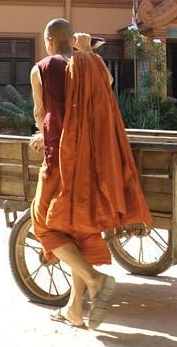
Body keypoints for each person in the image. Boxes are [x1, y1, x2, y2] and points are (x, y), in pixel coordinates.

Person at [29, 18, 151, 330]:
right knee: (79, 230)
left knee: (43, 224)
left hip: (60, 158)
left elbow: (41, 115)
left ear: (49, 40)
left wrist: (42, 134)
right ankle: (74, 308)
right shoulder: (95, 65)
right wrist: (87, 53)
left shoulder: (41, 68)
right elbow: (107, 85)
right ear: (73, 39)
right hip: (94, 160)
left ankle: (95, 280)